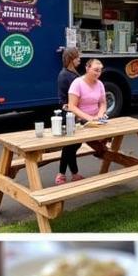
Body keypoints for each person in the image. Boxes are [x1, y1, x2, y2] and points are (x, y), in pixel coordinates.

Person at [55, 46, 83, 185]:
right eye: (77, 56)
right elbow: (63, 100)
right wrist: (73, 113)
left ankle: (75, 173)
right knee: (70, 146)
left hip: (75, 114)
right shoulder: (65, 75)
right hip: (69, 116)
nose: (80, 58)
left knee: (74, 145)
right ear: (71, 59)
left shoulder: (73, 73)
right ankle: (61, 174)